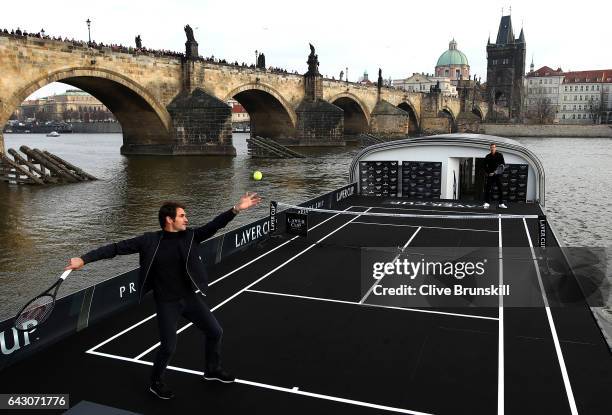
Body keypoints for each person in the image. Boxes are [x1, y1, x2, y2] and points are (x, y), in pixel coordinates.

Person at [65, 192, 262, 399]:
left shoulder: (190, 236)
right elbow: (115, 248)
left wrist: (236, 209)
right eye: (182, 216)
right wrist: (84, 259)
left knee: (215, 331)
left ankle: (212, 370)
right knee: (168, 347)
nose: (186, 219)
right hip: (167, 302)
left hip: (189, 298)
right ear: (169, 219)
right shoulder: (149, 241)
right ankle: (156, 382)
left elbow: (214, 225)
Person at [483, 143, 507, 209]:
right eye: (491, 147)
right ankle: (487, 202)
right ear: (490, 148)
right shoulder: (487, 156)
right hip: (490, 175)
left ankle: (501, 203)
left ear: (495, 148)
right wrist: (489, 173)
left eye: (493, 147)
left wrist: (496, 172)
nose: (492, 148)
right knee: (488, 189)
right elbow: (484, 166)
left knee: (500, 189)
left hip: (498, 175)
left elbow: (503, 165)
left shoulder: (500, 155)